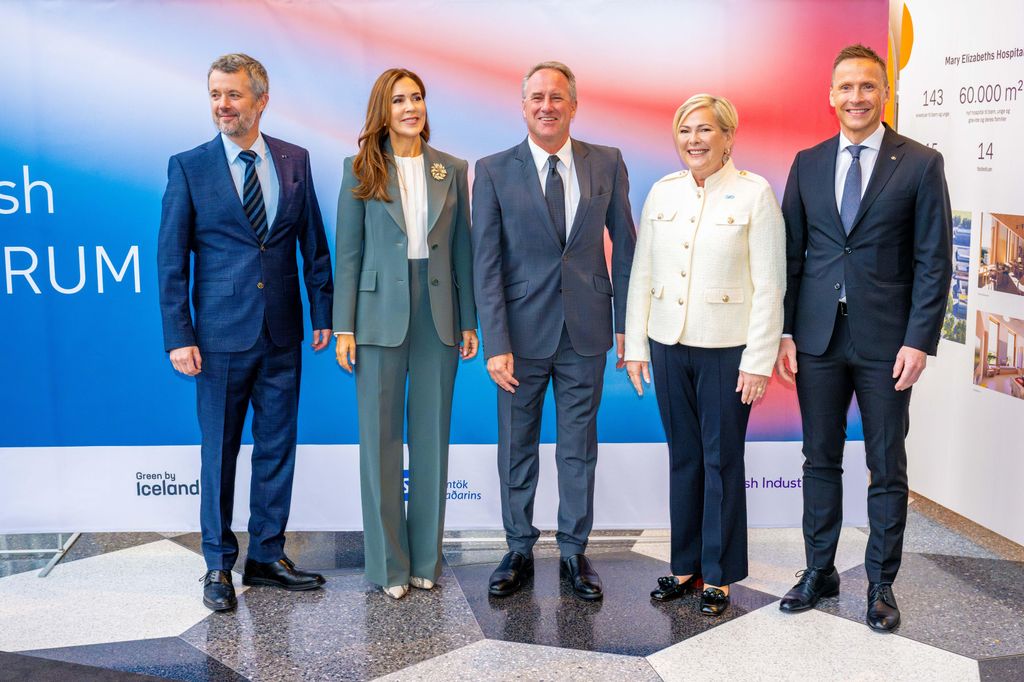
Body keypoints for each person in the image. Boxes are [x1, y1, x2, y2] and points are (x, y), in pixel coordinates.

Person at [775, 44, 952, 631]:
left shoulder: (921, 163)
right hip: (818, 340)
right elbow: (791, 257)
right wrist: (784, 331)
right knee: (818, 459)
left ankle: (881, 584)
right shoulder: (807, 162)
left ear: (884, 94)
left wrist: (919, 340)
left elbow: (934, 261)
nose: (856, 98)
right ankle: (818, 570)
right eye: (845, 87)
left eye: (867, 87)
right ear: (831, 96)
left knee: (886, 465)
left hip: (887, 344)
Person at [158, 53, 334, 612]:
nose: (222, 106)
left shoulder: (295, 160)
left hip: (282, 333)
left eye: (233, 95)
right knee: (220, 453)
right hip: (216, 340)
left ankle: (266, 555)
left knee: (277, 448)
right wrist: (178, 334)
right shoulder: (189, 167)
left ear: (261, 100)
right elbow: (171, 262)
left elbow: (314, 246)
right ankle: (217, 565)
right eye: (214, 94)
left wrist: (324, 314)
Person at [472, 61, 636, 601]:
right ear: (523, 106)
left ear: (573, 104)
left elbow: (626, 247)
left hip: (586, 333)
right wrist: (495, 343)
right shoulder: (493, 169)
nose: (547, 106)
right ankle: (518, 548)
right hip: (518, 339)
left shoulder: (606, 163)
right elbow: (485, 263)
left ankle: (573, 552)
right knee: (516, 447)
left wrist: (626, 330)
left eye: (557, 97)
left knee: (577, 448)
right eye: (537, 97)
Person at [623, 94, 785, 616]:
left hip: (727, 350)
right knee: (685, 459)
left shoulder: (754, 194)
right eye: (686, 130)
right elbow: (641, 273)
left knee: (721, 460)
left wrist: (758, 359)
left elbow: (770, 285)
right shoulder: (663, 192)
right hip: (669, 345)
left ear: (728, 137)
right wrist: (637, 345)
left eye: (706, 130)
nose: (694, 139)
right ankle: (684, 565)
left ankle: (718, 574)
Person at [334, 68, 478, 600]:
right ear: (383, 110)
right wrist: (343, 325)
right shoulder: (359, 169)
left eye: (417, 97)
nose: (410, 107)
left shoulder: (451, 169)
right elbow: (347, 253)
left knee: (431, 440)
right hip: (376, 315)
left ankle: (424, 561)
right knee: (380, 441)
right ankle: (388, 566)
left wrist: (469, 320)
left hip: (437, 311)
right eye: (399, 100)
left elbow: (463, 248)